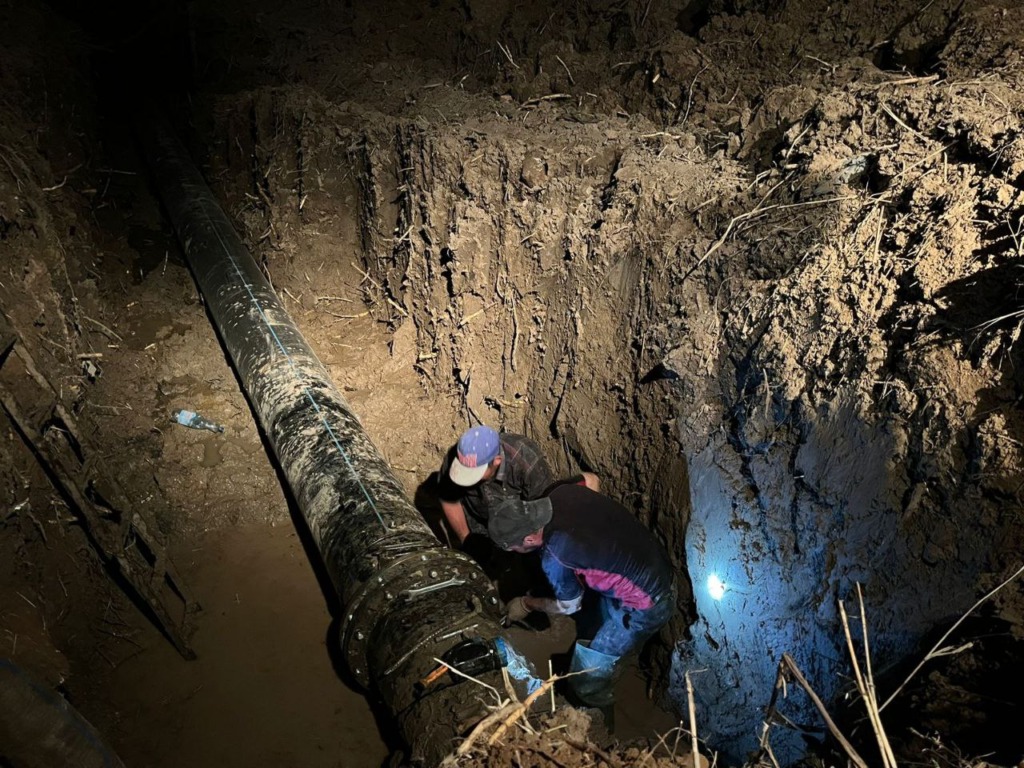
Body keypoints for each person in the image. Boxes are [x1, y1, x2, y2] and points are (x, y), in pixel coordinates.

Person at [487, 482, 675, 712]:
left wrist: (526, 604)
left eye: (513, 547)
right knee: (596, 613)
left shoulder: (556, 554)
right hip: (655, 561)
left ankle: (595, 712)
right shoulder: (563, 492)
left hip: (645, 604)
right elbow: (589, 479)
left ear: (528, 539)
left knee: (587, 673)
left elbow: (569, 605)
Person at [437, 425, 599, 545]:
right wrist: (466, 538)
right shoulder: (459, 458)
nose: (468, 478)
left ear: (496, 461)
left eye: (474, 474)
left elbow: (543, 511)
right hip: (479, 523)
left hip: (520, 522)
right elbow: (449, 498)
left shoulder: (526, 461)